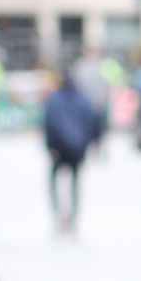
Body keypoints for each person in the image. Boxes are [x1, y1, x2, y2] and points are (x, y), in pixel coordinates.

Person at [43, 70, 101, 233]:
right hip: (78, 147)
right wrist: (93, 142)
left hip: (59, 148)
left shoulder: (54, 99)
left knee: (55, 181)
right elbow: (94, 122)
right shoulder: (84, 99)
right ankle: (73, 217)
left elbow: (49, 124)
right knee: (75, 182)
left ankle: (58, 215)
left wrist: (50, 145)